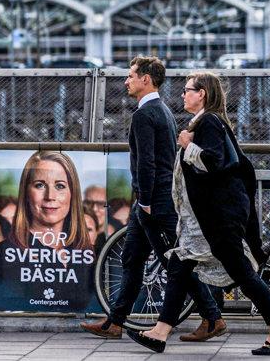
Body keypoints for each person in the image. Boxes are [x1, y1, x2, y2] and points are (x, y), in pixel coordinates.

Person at [130, 73, 270, 356]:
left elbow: (214, 162)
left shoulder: (209, 122)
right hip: (209, 219)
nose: (183, 95)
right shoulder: (206, 121)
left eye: (187, 90)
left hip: (220, 218)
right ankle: (160, 332)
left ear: (202, 93)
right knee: (180, 264)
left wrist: (187, 145)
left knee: (242, 272)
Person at [83, 56, 223, 342]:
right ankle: (116, 321)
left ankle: (212, 316)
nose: (126, 81)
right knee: (132, 257)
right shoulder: (164, 111)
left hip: (153, 202)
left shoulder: (144, 115)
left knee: (175, 262)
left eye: (131, 75)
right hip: (152, 200)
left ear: (145, 79)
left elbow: (146, 163)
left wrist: (144, 202)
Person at [0, 150, 98, 307]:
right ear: (26, 193)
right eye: (40, 185)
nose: (50, 196)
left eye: (60, 186)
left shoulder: (93, 254)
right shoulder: (1, 255)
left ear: (73, 193)